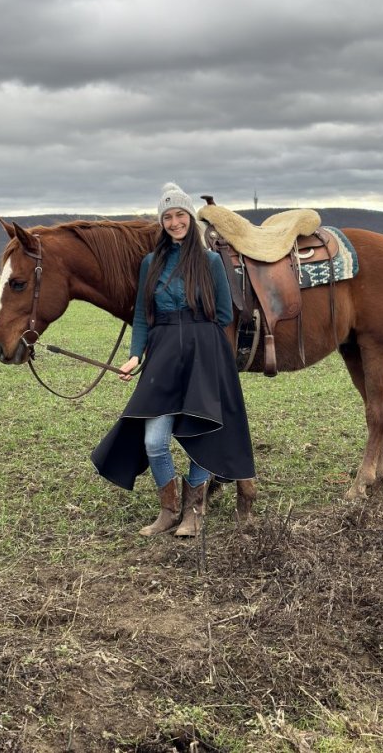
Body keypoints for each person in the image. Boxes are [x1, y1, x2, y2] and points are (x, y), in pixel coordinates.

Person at [91, 182, 256, 537]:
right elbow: (140, 315)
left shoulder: (211, 261)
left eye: (180, 214)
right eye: (168, 216)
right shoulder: (151, 263)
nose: (175, 221)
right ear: (161, 222)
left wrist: (201, 342)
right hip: (162, 352)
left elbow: (224, 313)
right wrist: (135, 354)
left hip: (204, 352)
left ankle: (193, 512)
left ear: (189, 217)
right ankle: (168, 511)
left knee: (201, 431)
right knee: (154, 440)